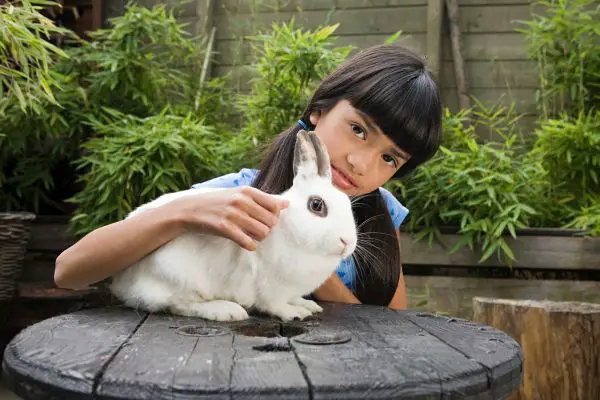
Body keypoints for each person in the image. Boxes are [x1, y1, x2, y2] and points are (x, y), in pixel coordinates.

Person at [54, 44, 442, 310]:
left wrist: (305, 260)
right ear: (319, 111)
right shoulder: (237, 196)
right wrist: (181, 213)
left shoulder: (380, 214)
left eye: (389, 158)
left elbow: (393, 325)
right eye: (358, 129)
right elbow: (69, 271)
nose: (362, 164)